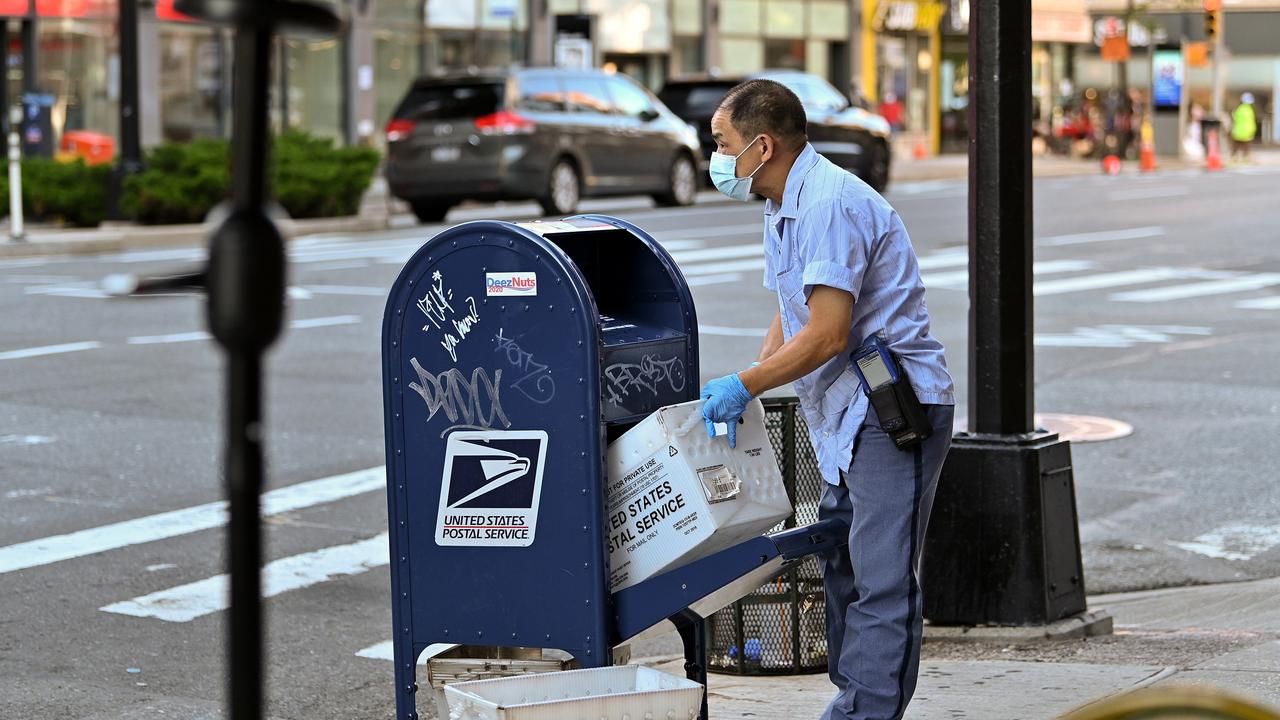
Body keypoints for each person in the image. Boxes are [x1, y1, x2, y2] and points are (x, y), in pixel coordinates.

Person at [698, 79, 955, 720]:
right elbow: (792, 313)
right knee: (841, 563)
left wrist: (747, 384)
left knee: (880, 579)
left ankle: (865, 712)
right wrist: (754, 380)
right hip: (844, 415)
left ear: (762, 145)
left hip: (892, 413)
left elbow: (827, 333)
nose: (715, 158)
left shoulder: (829, 205)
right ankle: (854, 695)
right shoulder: (781, 203)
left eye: (721, 143)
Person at [1231, 92, 1258, 161]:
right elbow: (1253, 120)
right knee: (1246, 146)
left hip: (1238, 130)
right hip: (1247, 130)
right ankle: (1245, 157)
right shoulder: (1250, 109)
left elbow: (1234, 117)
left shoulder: (1239, 109)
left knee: (1236, 145)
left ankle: (1234, 157)